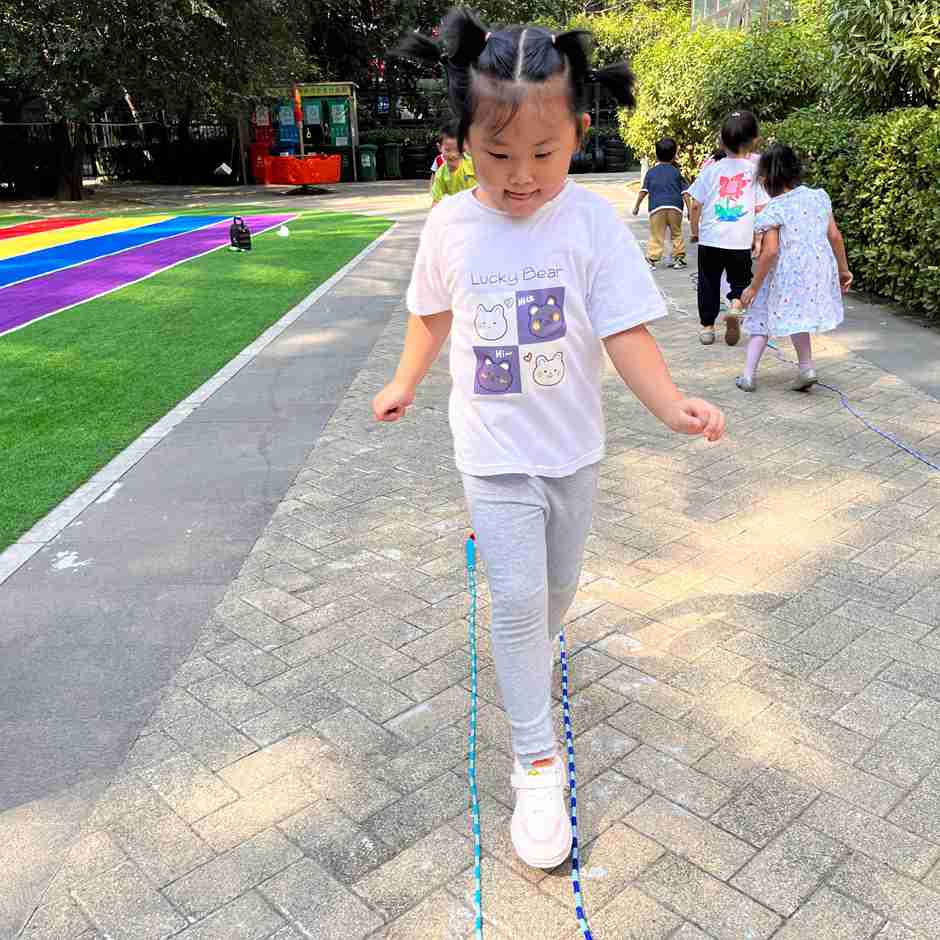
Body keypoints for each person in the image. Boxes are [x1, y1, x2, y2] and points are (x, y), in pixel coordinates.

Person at [375, 7, 725, 871]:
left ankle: (537, 646)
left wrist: (670, 405)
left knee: (555, 593)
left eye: (545, 152)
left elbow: (625, 332)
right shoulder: (451, 226)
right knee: (518, 601)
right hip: (490, 454)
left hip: (573, 451)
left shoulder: (592, 225)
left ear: (579, 131)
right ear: (463, 141)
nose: (522, 177)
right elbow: (431, 314)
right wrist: (405, 380)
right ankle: (535, 761)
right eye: (498, 156)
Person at [736, 143, 852, 392]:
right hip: (817, 270)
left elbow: (771, 251)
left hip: (785, 274)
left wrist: (754, 286)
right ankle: (806, 369)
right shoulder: (819, 197)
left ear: (765, 178)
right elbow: (835, 235)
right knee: (798, 318)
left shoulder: (774, 208)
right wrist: (843, 270)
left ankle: (747, 376)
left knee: (760, 318)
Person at [687, 111, 768, 347]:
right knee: (740, 279)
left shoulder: (711, 170)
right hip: (740, 240)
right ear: (754, 141)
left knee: (708, 282)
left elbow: (695, 205)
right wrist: (758, 239)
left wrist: (695, 231)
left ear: (721, 141)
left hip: (710, 240)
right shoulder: (754, 173)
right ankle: (735, 306)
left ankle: (707, 328)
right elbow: (762, 209)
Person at [632, 137, 689, 269]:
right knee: (676, 233)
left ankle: (652, 259)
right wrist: (689, 209)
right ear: (674, 155)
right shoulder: (676, 172)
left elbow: (643, 191)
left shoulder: (651, 173)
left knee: (656, 234)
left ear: (656, 155)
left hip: (656, 208)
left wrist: (636, 206)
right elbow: (685, 193)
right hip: (675, 209)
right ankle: (678, 259)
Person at [430, 128, 476, 205]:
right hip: (455, 210)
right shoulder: (440, 174)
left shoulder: (473, 165)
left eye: (457, 149)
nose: (453, 155)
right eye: (448, 150)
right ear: (439, 147)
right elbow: (436, 201)